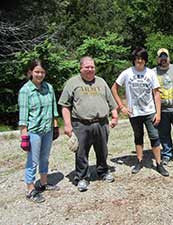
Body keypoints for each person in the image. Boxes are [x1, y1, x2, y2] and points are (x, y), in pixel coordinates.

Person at [58, 56, 118, 192]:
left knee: (102, 150)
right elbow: (64, 105)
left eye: (92, 67)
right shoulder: (72, 83)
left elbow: (111, 101)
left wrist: (114, 115)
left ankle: (103, 171)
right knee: (81, 152)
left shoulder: (101, 82)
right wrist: (67, 125)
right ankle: (81, 177)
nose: (90, 69)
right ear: (81, 68)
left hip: (102, 123)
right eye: (87, 67)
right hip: (81, 124)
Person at [111, 47, 169, 176]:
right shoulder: (127, 73)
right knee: (138, 137)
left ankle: (159, 164)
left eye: (142, 59)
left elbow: (156, 94)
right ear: (134, 60)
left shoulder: (150, 73)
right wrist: (122, 106)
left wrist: (158, 113)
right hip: (134, 112)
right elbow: (114, 88)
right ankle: (139, 161)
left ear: (145, 60)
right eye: (137, 59)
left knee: (154, 137)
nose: (139, 61)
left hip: (149, 112)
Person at [18, 59, 60, 203]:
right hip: (33, 131)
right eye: (36, 72)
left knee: (45, 157)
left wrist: (55, 126)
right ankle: (30, 189)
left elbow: (53, 108)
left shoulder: (49, 87)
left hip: (47, 129)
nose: (40, 74)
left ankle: (43, 183)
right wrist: (24, 136)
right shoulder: (25, 91)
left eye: (42, 72)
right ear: (30, 72)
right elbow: (23, 116)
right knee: (32, 161)